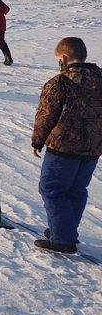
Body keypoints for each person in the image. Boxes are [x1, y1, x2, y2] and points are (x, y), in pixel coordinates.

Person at [31, 37, 102, 254]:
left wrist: (37, 140)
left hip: (63, 148)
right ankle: (63, 229)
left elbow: (46, 115)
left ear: (63, 58)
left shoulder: (59, 83)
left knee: (52, 190)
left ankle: (63, 239)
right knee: (76, 190)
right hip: (92, 148)